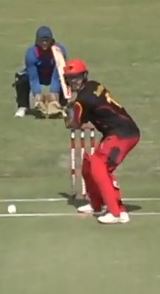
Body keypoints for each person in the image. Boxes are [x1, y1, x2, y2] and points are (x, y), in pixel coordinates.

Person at [62, 58, 141, 224]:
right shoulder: (93, 85)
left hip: (123, 134)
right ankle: (96, 204)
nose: (74, 81)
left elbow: (74, 124)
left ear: (84, 76)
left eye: (76, 77)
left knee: (99, 166)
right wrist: (73, 107)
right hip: (116, 132)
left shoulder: (83, 100)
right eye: (70, 78)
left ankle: (116, 212)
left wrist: (67, 113)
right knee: (88, 164)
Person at [13, 26, 67, 118]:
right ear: (37, 41)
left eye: (47, 40)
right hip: (38, 74)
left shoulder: (59, 51)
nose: (44, 43)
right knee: (22, 79)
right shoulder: (31, 53)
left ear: (51, 40)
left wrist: (54, 94)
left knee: (67, 78)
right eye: (42, 40)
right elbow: (33, 78)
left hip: (53, 73)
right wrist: (37, 95)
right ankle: (23, 106)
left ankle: (62, 106)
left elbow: (57, 74)